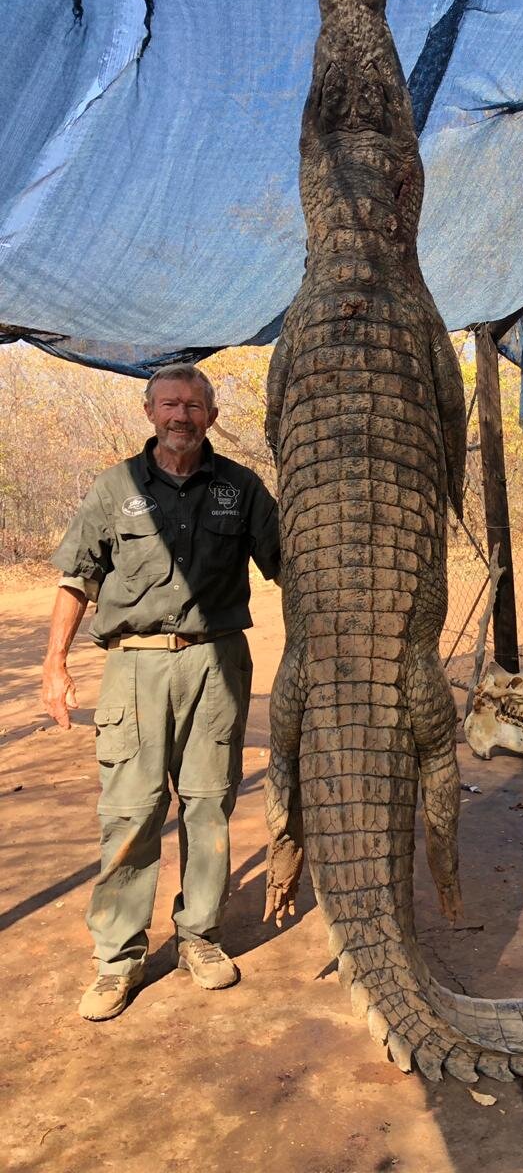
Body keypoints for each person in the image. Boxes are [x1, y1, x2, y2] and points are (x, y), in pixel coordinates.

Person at [41, 363, 281, 1021]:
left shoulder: (242, 487)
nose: (181, 415)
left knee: (209, 808)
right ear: (149, 412)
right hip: (135, 667)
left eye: (194, 405)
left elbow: (289, 562)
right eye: (170, 404)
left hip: (217, 664)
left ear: (211, 414)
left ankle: (199, 935)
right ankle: (119, 956)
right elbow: (75, 579)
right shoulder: (115, 489)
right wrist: (54, 664)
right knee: (131, 812)